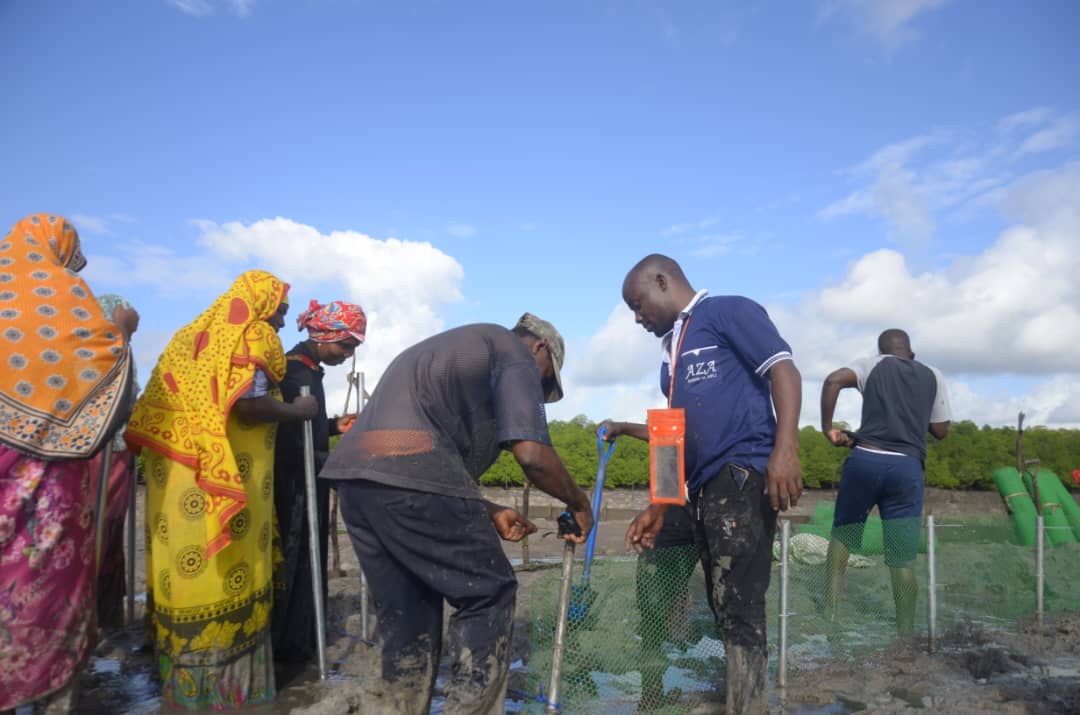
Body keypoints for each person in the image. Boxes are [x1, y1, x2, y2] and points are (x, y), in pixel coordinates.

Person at [321, 312, 594, 715]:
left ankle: (398, 707)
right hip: (412, 474)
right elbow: (532, 455)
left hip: (356, 482)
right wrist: (579, 503)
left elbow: (420, 463)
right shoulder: (513, 352)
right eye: (546, 379)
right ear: (539, 348)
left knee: (408, 610)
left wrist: (486, 509)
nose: (539, 388)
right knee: (489, 592)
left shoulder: (452, 351)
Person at [607, 253, 803, 714]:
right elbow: (672, 429)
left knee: (737, 602)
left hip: (738, 471)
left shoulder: (728, 312)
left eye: (638, 305)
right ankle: (652, 695)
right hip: (693, 490)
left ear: (662, 281)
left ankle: (748, 706)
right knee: (662, 574)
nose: (637, 318)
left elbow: (783, 369)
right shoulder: (670, 352)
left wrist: (786, 449)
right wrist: (659, 504)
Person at [125, 270, 318, 710]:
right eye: (280, 312)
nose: (282, 325)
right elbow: (248, 406)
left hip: (175, 483)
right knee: (225, 569)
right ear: (261, 305)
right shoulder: (251, 335)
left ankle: (181, 686)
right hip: (229, 477)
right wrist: (298, 410)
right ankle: (229, 694)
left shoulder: (188, 338)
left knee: (185, 571)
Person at [0, 214, 138, 712]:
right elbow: (108, 390)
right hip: (47, 485)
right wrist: (120, 335)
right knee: (43, 588)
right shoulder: (64, 306)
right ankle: (45, 690)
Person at [819, 328, 951, 634]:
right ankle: (905, 633)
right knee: (901, 558)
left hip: (865, 460)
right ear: (912, 352)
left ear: (881, 352)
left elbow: (832, 380)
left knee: (843, 537)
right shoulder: (933, 375)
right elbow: (941, 431)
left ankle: (831, 615)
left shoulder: (872, 365)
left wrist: (828, 427)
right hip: (907, 469)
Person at [270, 299, 365, 675]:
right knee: (297, 562)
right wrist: (340, 470)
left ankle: (300, 639)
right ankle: (292, 646)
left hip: (308, 477)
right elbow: (291, 444)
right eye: (346, 346)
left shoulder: (308, 369)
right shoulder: (298, 374)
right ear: (325, 337)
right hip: (294, 485)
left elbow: (305, 429)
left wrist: (333, 426)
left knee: (307, 560)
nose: (347, 355)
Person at [89, 293, 140, 630]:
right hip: (97, 450)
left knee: (110, 534)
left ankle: (107, 617)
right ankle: (91, 619)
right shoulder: (98, 350)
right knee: (98, 531)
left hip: (119, 448)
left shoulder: (122, 350)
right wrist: (119, 334)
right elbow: (107, 392)